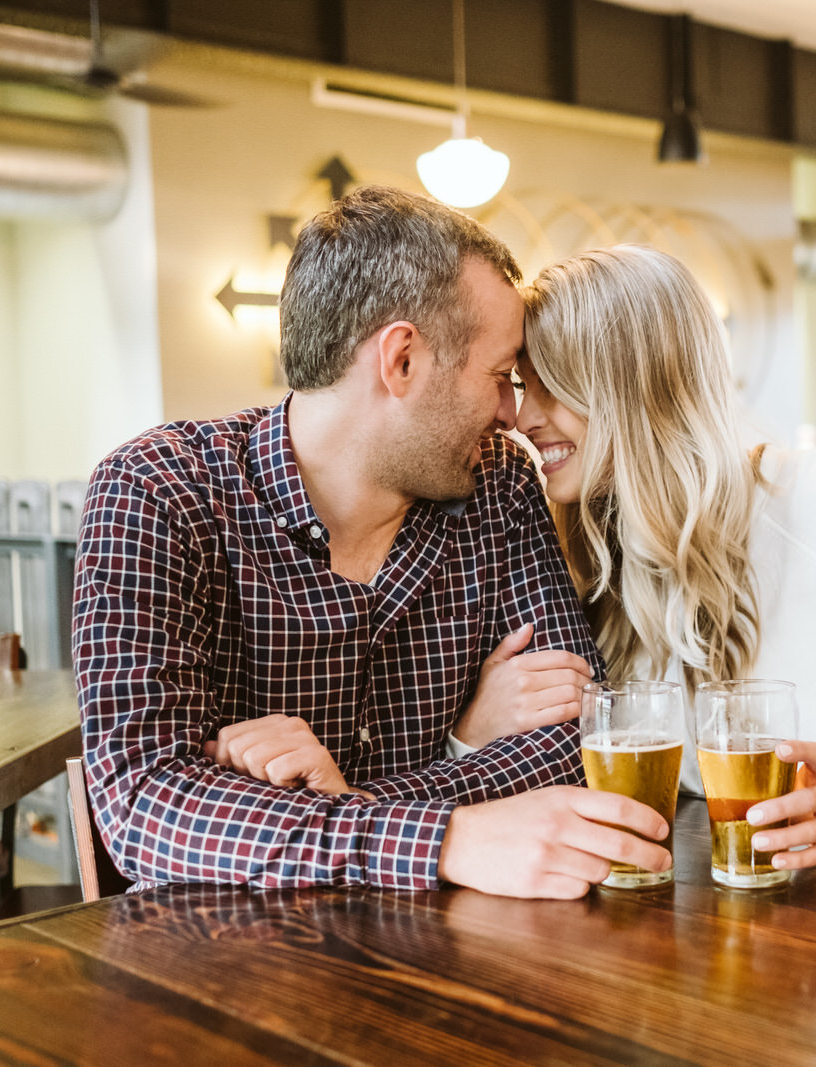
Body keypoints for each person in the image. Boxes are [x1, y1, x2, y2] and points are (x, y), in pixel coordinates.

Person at [72, 187, 671, 900]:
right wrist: (449, 835)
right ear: (403, 360)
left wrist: (346, 799)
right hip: (246, 970)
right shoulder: (159, 490)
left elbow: (572, 744)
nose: (515, 414)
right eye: (500, 376)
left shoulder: (500, 485)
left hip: (464, 955)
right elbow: (145, 803)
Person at [463, 243, 816, 873]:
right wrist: (473, 733)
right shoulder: (586, 551)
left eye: (550, 388)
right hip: (759, 909)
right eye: (519, 385)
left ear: (635, 384)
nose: (522, 418)